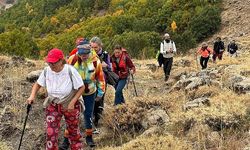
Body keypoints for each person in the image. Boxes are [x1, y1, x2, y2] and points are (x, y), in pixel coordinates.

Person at [27, 48, 84, 150]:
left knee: (73, 132)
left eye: (53, 63)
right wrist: (32, 95)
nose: (51, 65)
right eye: (49, 63)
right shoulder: (47, 71)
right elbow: (37, 84)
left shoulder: (70, 71)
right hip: (53, 104)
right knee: (50, 132)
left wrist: (72, 102)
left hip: (70, 104)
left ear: (61, 60)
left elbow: (81, 87)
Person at [60, 40, 105, 148]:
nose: (84, 56)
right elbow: (65, 75)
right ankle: (66, 139)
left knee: (88, 115)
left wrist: (100, 92)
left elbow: (100, 78)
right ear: (78, 53)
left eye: (86, 54)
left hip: (90, 91)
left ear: (89, 51)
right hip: (75, 93)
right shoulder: (72, 59)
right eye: (81, 54)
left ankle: (89, 137)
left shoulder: (95, 61)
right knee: (71, 115)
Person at [90, 36, 111, 128]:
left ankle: (97, 119)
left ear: (100, 46)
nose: (93, 49)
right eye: (92, 47)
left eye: (95, 47)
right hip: (91, 80)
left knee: (100, 99)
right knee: (91, 100)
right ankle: (92, 117)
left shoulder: (105, 54)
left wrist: (105, 65)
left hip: (102, 80)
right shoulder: (88, 54)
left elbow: (110, 67)